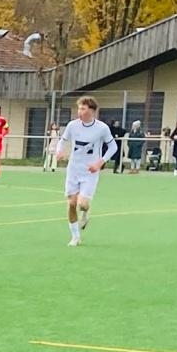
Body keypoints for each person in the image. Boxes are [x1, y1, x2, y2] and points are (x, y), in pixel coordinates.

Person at [57, 96, 117, 247]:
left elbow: (113, 147)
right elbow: (63, 140)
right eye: (79, 108)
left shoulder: (102, 128)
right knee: (71, 203)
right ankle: (75, 237)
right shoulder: (72, 125)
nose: (79, 111)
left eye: (83, 109)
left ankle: (86, 212)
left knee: (82, 204)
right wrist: (59, 151)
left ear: (92, 111)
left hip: (90, 171)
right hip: (73, 169)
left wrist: (100, 162)